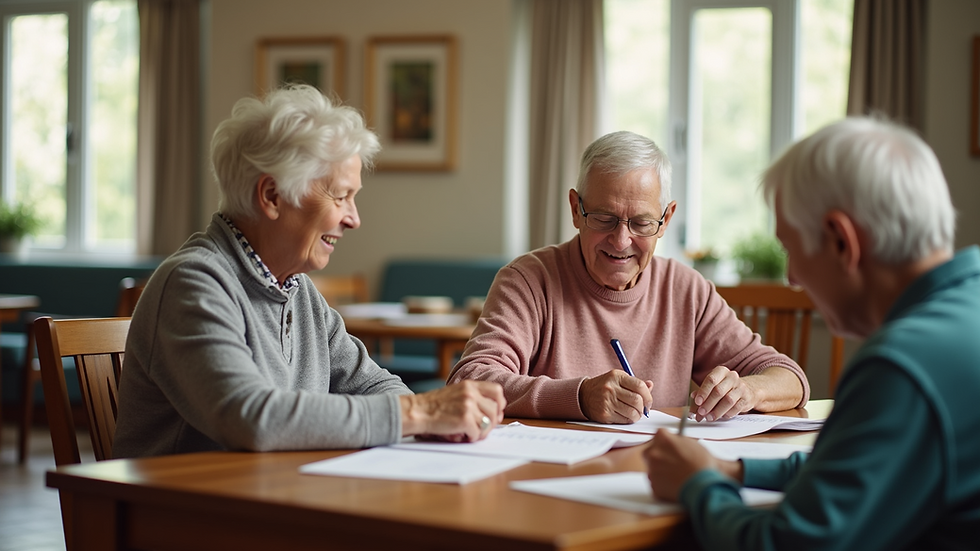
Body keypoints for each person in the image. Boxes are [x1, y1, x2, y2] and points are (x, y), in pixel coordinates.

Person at [113, 85, 505, 457]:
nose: (354, 219)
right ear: (271, 196)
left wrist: (434, 418)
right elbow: (252, 418)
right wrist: (424, 413)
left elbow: (370, 383)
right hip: (183, 516)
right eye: (341, 196)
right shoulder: (194, 283)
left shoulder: (296, 288)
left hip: (272, 497)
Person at [644, 117, 980, 550]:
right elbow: (856, 467)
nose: (791, 278)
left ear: (842, 241)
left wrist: (701, 484)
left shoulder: (902, 367)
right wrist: (738, 472)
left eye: (790, 248)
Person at [449, 131, 808, 424]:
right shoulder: (528, 280)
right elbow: (470, 379)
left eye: (641, 223)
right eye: (604, 218)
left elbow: (788, 376)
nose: (621, 241)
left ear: (666, 220)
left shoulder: (686, 290)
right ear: (576, 210)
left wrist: (748, 390)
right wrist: (579, 397)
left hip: (650, 478)